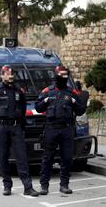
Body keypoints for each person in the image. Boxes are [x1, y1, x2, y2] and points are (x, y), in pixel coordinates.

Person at [0, 65, 39, 197]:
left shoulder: (19, 91)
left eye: (11, 74)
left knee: (21, 157)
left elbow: (23, 107)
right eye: (6, 73)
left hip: (16, 127)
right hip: (2, 127)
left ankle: (28, 187)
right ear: (1, 75)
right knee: (2, 157)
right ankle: (7, 185)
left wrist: (21, 124)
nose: (9, 76)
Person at [35, 65, 86, 195]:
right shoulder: (47, 91)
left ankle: (64, 185)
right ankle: (44, 186)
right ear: (56, 76)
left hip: (67, 129)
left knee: (67, 158)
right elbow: (38, 108)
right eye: (61, 75)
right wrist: (45, 100)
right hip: (51, 129)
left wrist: (74, 101)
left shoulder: (71, 92)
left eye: (65, 75)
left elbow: (80, 110)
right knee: (47, 158)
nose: (63, 78)